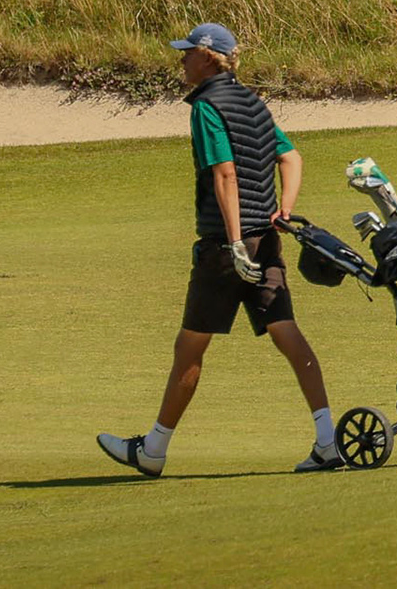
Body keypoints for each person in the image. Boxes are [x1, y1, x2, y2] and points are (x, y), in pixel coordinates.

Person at [97, 23, 341, 476]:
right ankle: (328, 440)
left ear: (208, 58)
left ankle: (153, 451)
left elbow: (224, 173)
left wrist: (233, 242)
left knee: (190, 345)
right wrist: (283, 210)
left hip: (226, 246)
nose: (182, 59)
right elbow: (291, 157)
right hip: (266, 238)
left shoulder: (206, 106)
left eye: (188, 52)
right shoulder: (253, 103)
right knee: (286, 332)